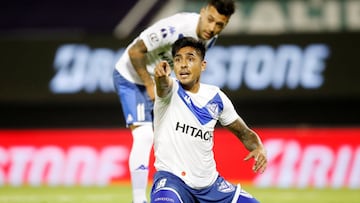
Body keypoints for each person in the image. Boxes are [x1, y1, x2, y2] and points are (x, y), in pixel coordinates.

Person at [113, 1, 235, 202]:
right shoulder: (176, 27)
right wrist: (150, 85)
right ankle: (138, 199)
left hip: (162, 83)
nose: (212, 28)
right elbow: (135, 52)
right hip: (133, 77)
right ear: (202, 12)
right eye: (210, 20)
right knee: (144, 136)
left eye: (220, 25)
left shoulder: (209, 39)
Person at [151, 37, 267, 203]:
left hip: (211, 186)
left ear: (203, 65)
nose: (183, 64)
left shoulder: (216, 97)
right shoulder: (170, 90)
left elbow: (243, 132)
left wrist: (258, 147)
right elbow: (162, 85)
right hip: (173, 182)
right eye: (178, 60)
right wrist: (160, 77)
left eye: (190, 59)